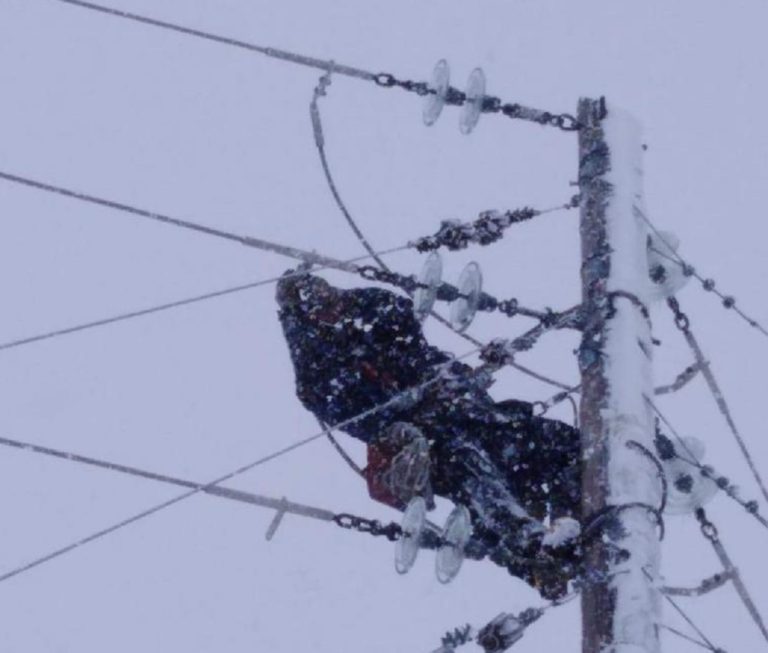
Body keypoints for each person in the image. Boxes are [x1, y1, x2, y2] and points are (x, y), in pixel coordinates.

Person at [276, 269, 582, 598]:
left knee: (558, 442)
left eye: (329, 297)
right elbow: (353, 413)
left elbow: (409, 336)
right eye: (319, 306)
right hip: (430, 444)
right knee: (474, 472)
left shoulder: (368, 310)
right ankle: (535, 548)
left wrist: (448, 377)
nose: (330, 307)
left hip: (472, 417)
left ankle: (570, 524)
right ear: (306, 316)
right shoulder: (317, 368)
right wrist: (406, 406)